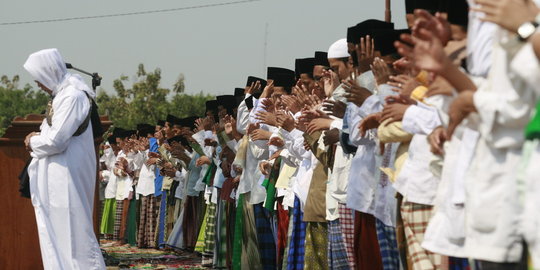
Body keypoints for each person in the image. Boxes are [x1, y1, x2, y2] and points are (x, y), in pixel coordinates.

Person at [23, 48, 105, 269]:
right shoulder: (61, 95)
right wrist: (39, 137)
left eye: (39, 78)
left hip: (67, 175)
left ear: (49, 72)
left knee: (76, 236)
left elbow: (56, 140)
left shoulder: (73, 96)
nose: (38, 84)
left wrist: (33, 141)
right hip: (56, 175)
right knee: (57, 235)